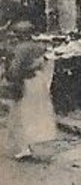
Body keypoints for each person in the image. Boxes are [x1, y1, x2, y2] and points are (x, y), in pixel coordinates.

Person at [5, 17, 54, 161]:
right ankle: (32, 144)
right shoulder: (39, 46)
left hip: (25, 83)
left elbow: (15, 70)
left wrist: (8, 76)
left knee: (20, 116)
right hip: (38, 82)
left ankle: (24, 148)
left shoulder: (21, 49)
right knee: (36, 114)